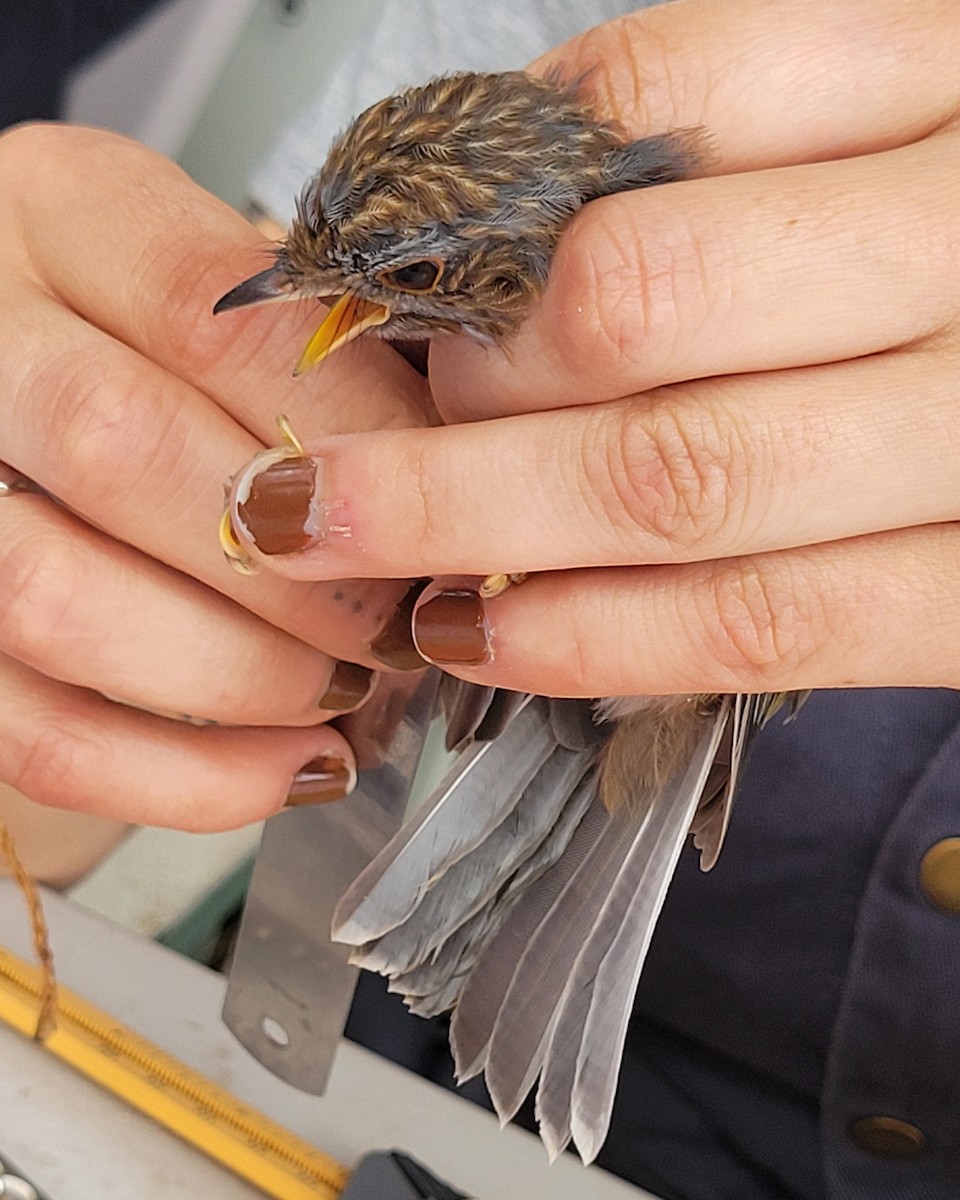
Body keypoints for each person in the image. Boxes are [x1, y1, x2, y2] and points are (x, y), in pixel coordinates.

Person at [1, 0, 959, 1195]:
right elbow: (162, 438)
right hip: (354, 1095)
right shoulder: (565, 69)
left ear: (494, 263)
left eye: (412, 277)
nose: (300, 299)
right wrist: (95, 482)